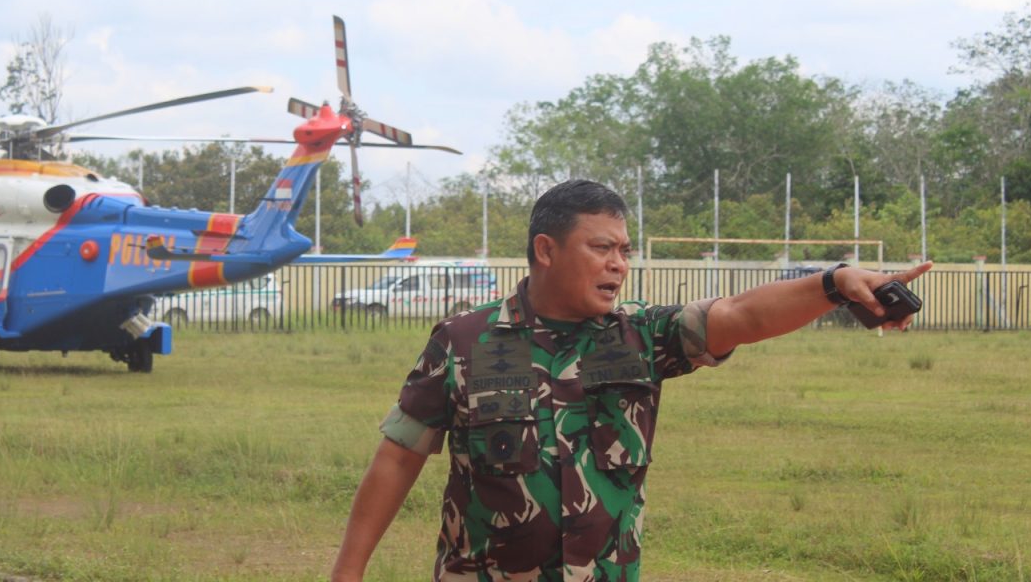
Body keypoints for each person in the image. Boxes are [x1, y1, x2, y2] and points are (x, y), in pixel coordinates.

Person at [331, 180, 933, 582]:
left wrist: (833, 282)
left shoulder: (643, 335)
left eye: (624, 249)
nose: (620, 263)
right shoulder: (463, 341)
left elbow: (742, 317)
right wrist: (346, 574)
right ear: (546, 249)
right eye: (602, 248)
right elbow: (398, 457)